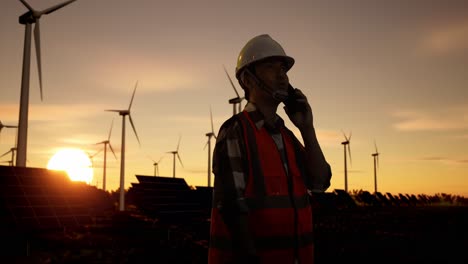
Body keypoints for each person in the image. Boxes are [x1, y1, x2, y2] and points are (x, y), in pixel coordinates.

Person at [208, 34, 332, 264]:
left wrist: (307, 128)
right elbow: (233, 209)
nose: (282, 76)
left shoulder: (286, 136)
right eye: (271, 67)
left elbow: (320, 181)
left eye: (284, 69)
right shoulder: (235, 132)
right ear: (248, 79)